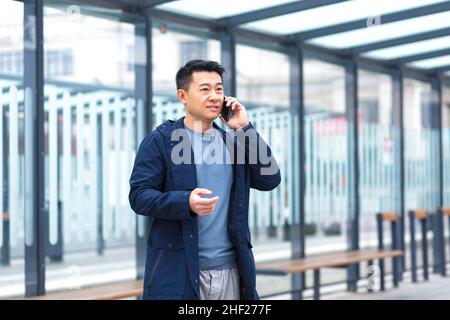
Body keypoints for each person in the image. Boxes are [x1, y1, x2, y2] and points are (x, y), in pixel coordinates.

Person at [129, 59, 281, 300]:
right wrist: (185, 202)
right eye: (204, 89)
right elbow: (139, 196)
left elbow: (270, 179)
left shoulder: (233, 143)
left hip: (233, 271)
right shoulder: (161, 141)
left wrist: (244, 128)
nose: (214, 96)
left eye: (219, 89)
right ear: (183, 96)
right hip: (179, 271)